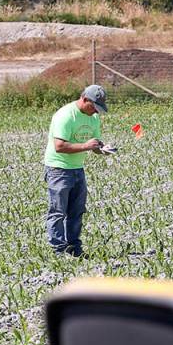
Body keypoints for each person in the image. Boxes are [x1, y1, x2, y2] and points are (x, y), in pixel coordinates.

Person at [43, 84, 109, 257]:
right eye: (94, 107)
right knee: (58, 211)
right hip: (59, 169)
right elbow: (59, 146)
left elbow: (92, 144)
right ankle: (58, 251)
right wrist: (86, 146)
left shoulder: (93, 118)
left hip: (77, 169)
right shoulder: (65, 115)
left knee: (77, 211)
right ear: (85, 99)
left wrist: (101, 149)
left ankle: (74, 249)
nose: (96, 111)